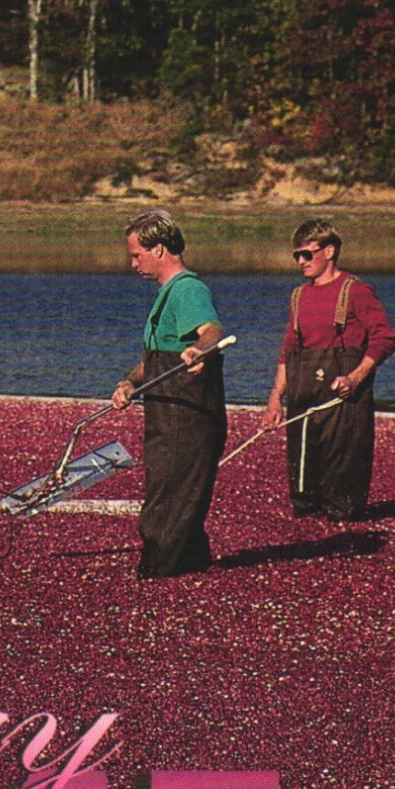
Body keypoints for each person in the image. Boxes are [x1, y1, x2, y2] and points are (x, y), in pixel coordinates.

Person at [111, 211, 228, 578]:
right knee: (168, 484)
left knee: (170, 493)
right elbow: (154, 358)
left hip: (187, 414)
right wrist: (129, 382)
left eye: (136, 254)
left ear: (159, 249)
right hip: (165, 411)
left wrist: (200, 350)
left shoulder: (188, 289)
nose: (132, 263)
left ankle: (162, 566)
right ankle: (190, 562)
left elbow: (211, 331)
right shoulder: (166, 295)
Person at [259, 219, 395, 520]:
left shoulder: (356, 291)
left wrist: (356, 377)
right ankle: (308, 518)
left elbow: (385, 338)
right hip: (303, 394)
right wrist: (274, 400)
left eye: (307, 254)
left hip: (344, 396)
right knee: (304, 473)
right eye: (296, 255)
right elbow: (287, 352)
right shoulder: (298, 296)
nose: (300, 262)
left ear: (329, 251)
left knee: (342, 480)